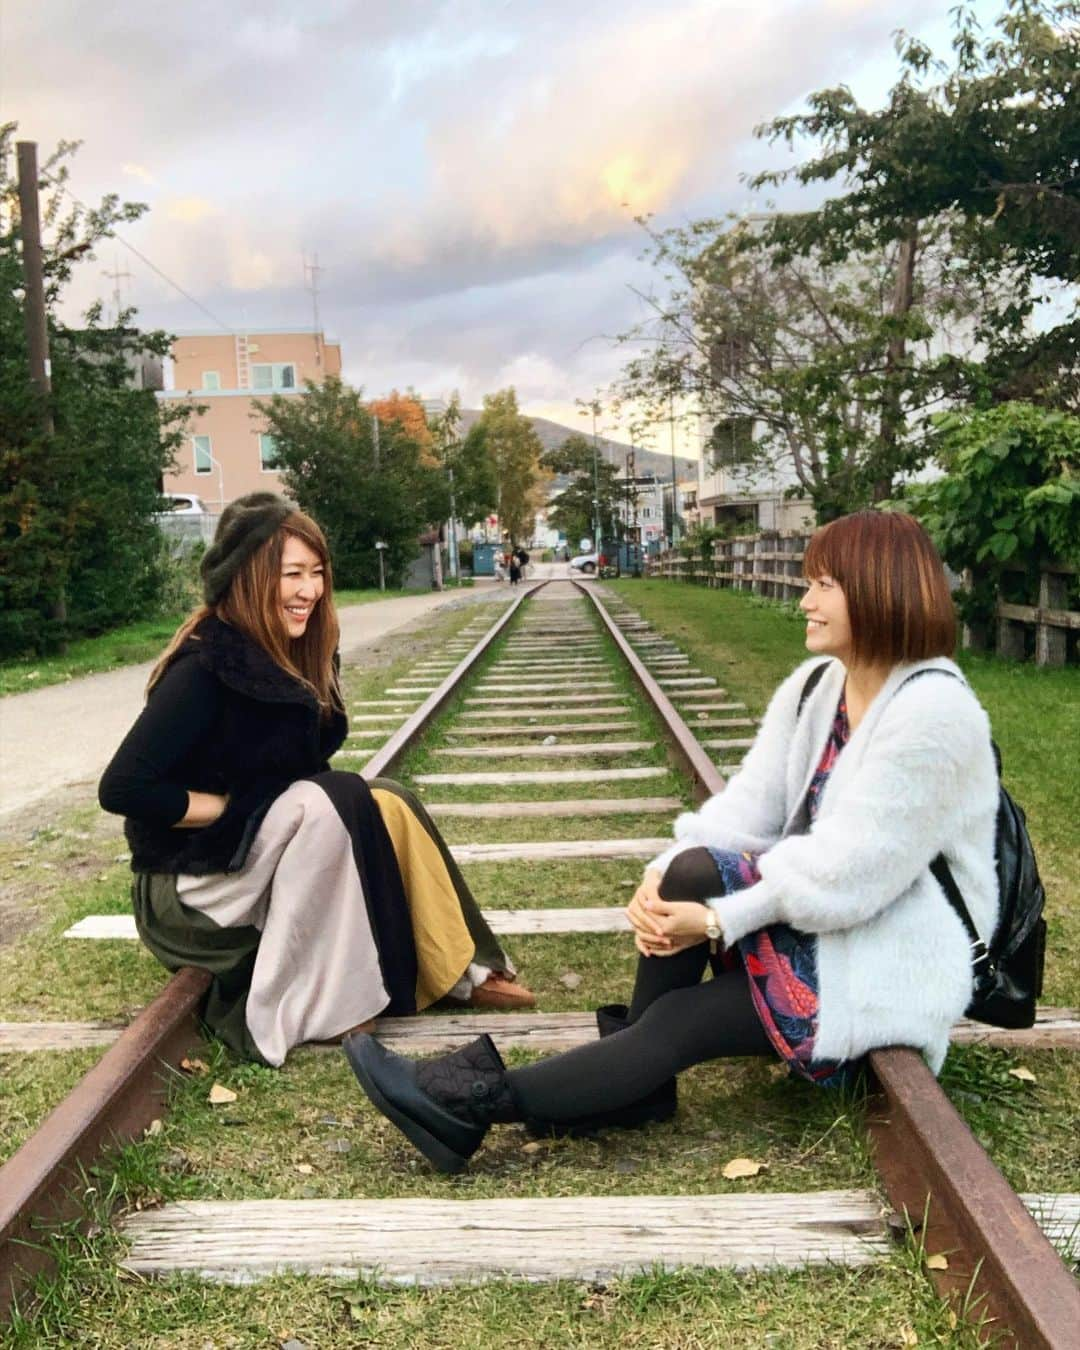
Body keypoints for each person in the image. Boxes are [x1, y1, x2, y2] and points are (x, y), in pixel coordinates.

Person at [345, 511, 1000, 1174]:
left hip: (888, 956)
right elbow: (752, 801)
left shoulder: (934, 714)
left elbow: (855, 870)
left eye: (823, 585)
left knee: (679, 1022)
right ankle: (636, 1082)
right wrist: (662, 878)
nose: (804, 600)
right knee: (687, 872)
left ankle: (473, 1103)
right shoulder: (820, 686)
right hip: (830, 922)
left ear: (879, 590)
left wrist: (718, 919)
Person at [99, 492, 533, 1069]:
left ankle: (458, 968)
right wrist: (233, 811)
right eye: (293, 575)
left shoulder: (297, 653)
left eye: (318, 573)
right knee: (324, 800)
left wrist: (267, 813)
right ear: (250, 578)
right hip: (194, 888)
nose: (311, 590)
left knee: (387, 800)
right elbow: (123, 788)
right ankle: (325, 1004)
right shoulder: (205, 668)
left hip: (255, 860)